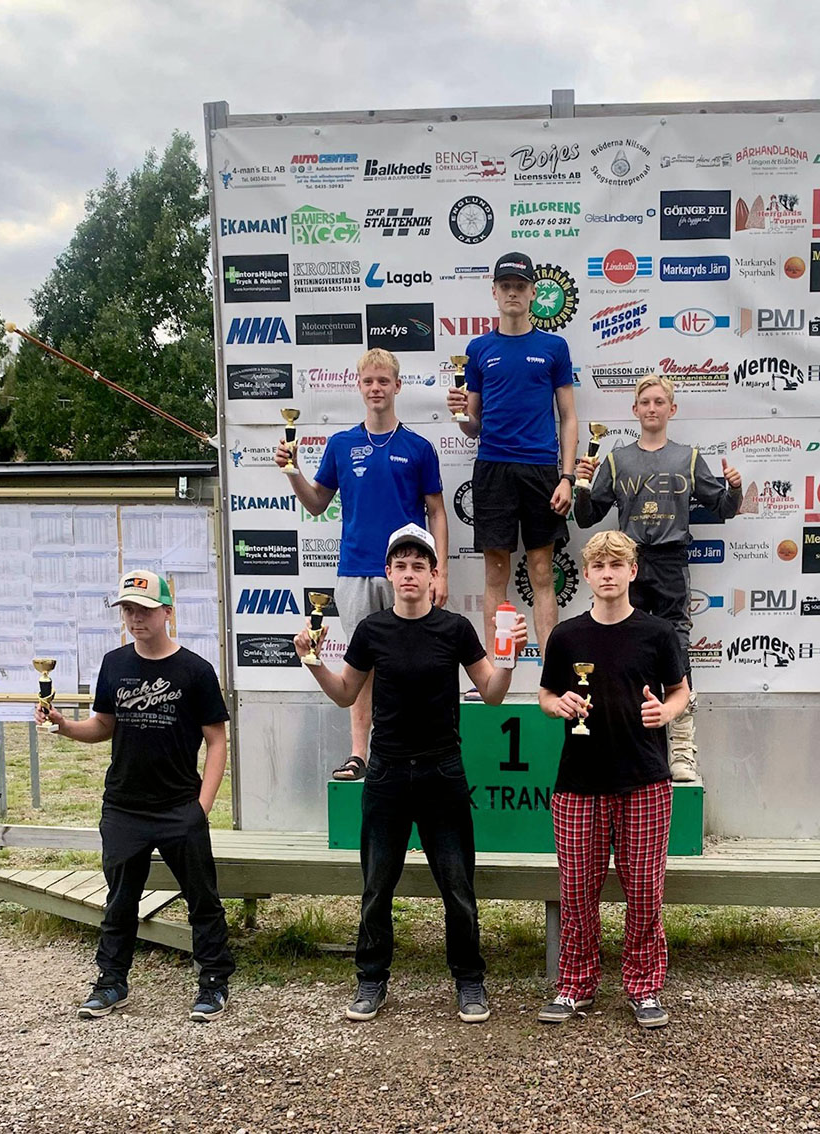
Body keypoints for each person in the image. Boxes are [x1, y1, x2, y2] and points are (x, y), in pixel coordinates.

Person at [294, 523, 527, 1024]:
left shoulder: (455, 629)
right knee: (377, 887)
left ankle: (469, 980)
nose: (409, 574)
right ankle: (371, 979)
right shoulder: (371, 630)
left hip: (443, 771)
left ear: (433, 575)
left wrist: (508, 659)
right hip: (387, 773)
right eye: (400, 565)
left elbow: (492, 694)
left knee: (458, 887)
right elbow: (345, 693)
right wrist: (312, 661)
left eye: (418, 566)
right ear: (388, 572)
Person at [35, 570, 234, 1022]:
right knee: (120, 900)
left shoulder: (195, 670)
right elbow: (103, 725)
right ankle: (111, 982)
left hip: (179, 806)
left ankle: (213, 981)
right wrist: (63, 726)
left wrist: (202, 807)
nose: (135, 618)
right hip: (124, 806)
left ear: (167, 612)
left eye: (144, 609)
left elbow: (217, 741)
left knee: (202, 899)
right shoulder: (115, 664)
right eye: (127, 609)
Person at [538, 530, 689, 1030]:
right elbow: (545, 696)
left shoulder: (658, 633)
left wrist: (665, 712)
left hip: (645, 780)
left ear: (632, 571)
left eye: (616, 565)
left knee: (644, 891)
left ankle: (644, 988)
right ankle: (575, 985)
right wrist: (558, 704)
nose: (607, 574)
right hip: (578, 783)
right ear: (585, 575)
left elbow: (680, 691)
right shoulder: (566, 636)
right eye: (599, 566)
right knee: (577, 891)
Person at [276, 348, 448, 781]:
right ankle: (359, 754)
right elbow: (316, 504)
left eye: (383, 381)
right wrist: (293, 471)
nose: (376, 388)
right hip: (354, 571)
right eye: (368, 381)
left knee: (415, 663)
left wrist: (440, 571)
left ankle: (415, 751)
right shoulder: (340, 444)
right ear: (358, 386)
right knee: (362, 666)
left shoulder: (419, 447)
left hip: (406, 573)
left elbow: (437, 512)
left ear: (397, 386)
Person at [573, 373, 742, 781]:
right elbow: (586, 517)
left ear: (672, 409)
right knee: (622, 644)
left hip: (670, 562)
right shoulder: (617, 459)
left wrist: (735, 489)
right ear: (635, 410)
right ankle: (626, 739)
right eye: (645, 402)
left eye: (659, 402)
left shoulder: (688, 457)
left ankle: (681, 747)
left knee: (676, 647)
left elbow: (723, 508)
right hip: (627, 562)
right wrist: (582, 485)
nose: (652, 408)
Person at [446, 251, 578, 685]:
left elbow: (568, 417)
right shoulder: (478, 349)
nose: (513, 293)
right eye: (506, 286)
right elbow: (473, 427)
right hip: (493, 468)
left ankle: (552, 679)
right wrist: (461, 414)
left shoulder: (554, 347)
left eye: (520, 286)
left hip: (541, 470)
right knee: (496, 573)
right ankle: (492, 674)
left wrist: (567, 476)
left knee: (542, 571)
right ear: (495, 292)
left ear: (533, 293)